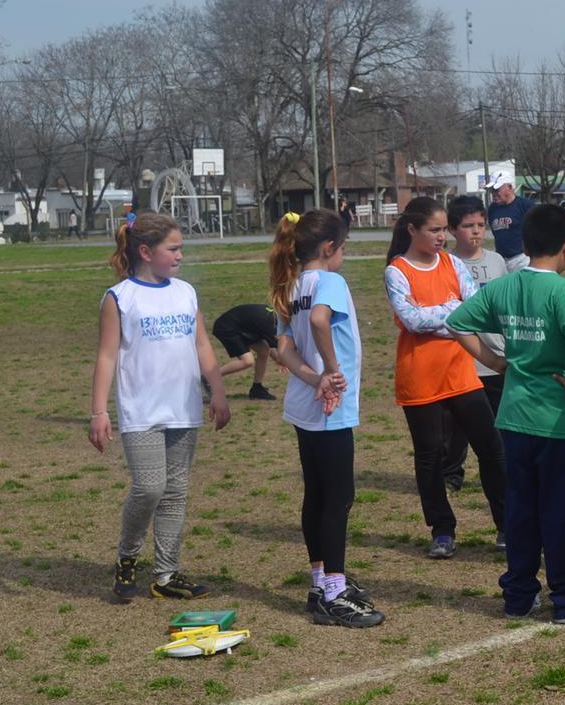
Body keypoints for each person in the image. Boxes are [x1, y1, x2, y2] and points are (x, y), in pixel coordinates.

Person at [447, 203, 565, 624]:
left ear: (523, 244)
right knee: (560, 511)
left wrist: (495, 359)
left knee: (521, 510)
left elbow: (456, 322)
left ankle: (519, 595)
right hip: (559, 422)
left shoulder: (505, 286)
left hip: (514, 416)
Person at [90, 213, 230, 601]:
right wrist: (99, 411)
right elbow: (106, 357)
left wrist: (217, 391)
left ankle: (166, 575)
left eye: (181, 248)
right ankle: (127, 556)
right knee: (150, 487)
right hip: (141, 413)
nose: (180, 255)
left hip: (184, 409)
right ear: (146, 251)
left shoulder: (185, 292)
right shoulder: (119, 297)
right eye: (174, 248)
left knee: (175, 492)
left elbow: (202, 345)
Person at [267, 209, 382, 628]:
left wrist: (313, 377)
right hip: (329, 408)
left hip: (306, 404)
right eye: (344, 248)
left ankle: (320, 581)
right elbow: (319, 321)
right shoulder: (330, 281)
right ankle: (335, 591)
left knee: (316, 495)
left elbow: (283, 347)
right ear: (330, 248)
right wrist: (331, 372)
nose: (344, 256)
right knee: (338, 498)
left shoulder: (294, 283)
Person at [383, 197, 506, 560]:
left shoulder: (452, 263)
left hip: (460, 372)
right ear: (412, 230)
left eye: (442, 230)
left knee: (492, 447)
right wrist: (451, 316)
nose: (441, 237)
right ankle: (441, 529)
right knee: (430, 455)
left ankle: (506, 524)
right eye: (434, 230)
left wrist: (443, 317)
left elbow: (473, 312)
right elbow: (411, 320)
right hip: (419, 376)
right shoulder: (397, 270)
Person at [440, 195, 509, 494]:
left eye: (481, 225)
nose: (476, 231)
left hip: (494, 354)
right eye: (468, 226)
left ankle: (500, 469)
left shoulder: (497, 261)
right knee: (457, 425)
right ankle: (451, 472)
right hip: (461, 358)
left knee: (497, 422)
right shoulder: (446, 264)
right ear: (453, 229)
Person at [210, 304, 283, 401]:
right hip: (226, 327)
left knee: (264, 351)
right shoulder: (268, 323)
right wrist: (284, 361)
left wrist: (281, 359)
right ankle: (209, 378)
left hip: (241, 327)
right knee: (247, 361)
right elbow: (276, 350)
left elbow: (272, 348)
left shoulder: (272, 316)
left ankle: (257, 389)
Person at [485, 171, 536, 269]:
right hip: (501, 259)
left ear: (510, 187)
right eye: (492, 190)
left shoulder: (525, 206)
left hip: (522, 258)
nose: (494, 193)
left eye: (497, 189)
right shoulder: (492, 209)